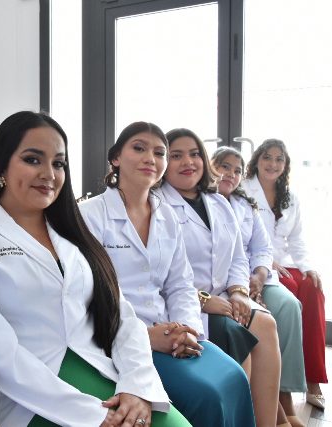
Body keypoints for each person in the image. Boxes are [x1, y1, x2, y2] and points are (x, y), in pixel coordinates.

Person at [0, 111, 190, 427]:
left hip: (99, 369)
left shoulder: (71, 227)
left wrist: (136, 385)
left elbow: (120, 313)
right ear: (2, 165)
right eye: (33, 160)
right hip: (29, 396)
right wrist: (91, 415)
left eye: (59, 163)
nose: (49, 174)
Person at [79, 121, 256, 427]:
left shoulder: (167, 216)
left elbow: (180, 286)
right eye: (139, 148)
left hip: (169, 332)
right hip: (117, 339)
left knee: (235, 377)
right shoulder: (90, 215)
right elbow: (90, 295)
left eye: (159, 152)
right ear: (116, 158)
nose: (150, 158)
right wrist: (145, 336)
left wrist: (187, 330)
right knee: (206, 394)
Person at [160, 128, 281, 427]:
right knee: (237, 335)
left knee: (266, 324)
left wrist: (239, 291)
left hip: (226, 295)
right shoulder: (156, 204)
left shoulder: (218, 202)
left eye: (194, 154)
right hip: (185, 303)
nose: (188, 162)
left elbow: (239, 256)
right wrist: (203, 301)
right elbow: (161, 274)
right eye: (176, 155)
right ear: (163, 162)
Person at [212, 146, 306, 427]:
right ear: (210, 166)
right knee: (260, 321)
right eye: (224, 166)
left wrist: (260, 276)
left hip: (256, 277)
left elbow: (262, 248)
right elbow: (224, 258)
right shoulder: (205, 201)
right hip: (229, 285)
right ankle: (277, 413)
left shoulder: (245, 205)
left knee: (289, 306)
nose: (231, 174)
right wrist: (241, 289)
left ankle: (285, 396)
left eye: (237, 170)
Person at [243, 139, 327, 411]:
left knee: (313, 289)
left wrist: (307, 267)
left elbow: (297, 239)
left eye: (279, 159)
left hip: (286, 263)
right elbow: (246, 238)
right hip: (261, 264)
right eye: (267, 157)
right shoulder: (243, 190)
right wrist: (268, 261)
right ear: (257, 161)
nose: (273, 164)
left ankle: (314, 379)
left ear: (286, 165)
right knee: (290, 296)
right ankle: (283, 384)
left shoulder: (290, 197)